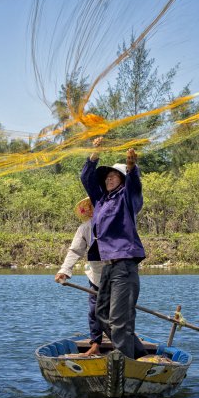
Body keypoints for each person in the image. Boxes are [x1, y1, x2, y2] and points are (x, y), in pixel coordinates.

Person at [80, 137, 147, 360]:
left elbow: (135, 185)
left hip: (124, 264)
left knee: (119, 320)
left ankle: (124, 363)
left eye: (113, 176)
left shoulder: (127, 198)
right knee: (101, 313)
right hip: (106, 264)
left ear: (122, 179)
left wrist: (131, 167)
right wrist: (95, 152)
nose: (109, 180)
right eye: (106, 177)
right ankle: (138, 354)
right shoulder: (101, 200)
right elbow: (86, 178)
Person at [54, 197, 106, 356]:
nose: (92, 210)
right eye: (89, 207)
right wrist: (64, 270)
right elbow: (75, 250)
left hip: (119, 275)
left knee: (118, 313)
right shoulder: (85, 228)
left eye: (94, 206)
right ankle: (96, 344)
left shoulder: (115, 223)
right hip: (96, 275)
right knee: (94, 311)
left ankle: (124, 346)